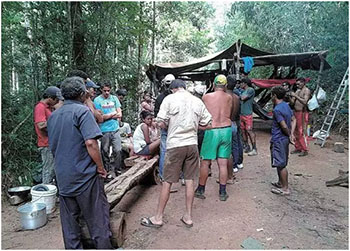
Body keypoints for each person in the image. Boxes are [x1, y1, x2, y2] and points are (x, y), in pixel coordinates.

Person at [47, 77, 112, 249]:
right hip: (84, 176)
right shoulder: (82, 112)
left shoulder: (53, 116)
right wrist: (100, 167)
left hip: (63, 176)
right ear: (82, 94)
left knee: (70, 223)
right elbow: (91, 143)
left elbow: (53, 146)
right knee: (97, 218)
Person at [140, 79, 212, 228]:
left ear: (173, 89)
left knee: (167, 181)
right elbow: (208, 124)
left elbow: (160, 123)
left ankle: (158, 218)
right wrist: (193, 126)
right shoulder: (196, 101)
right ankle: (188, 217)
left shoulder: (169, 99)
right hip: (192, 144)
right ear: (184, 88)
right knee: (190, 180)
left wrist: (169, 125)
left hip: (175, 145)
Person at [194, 74, 233, 201]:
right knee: (223, 163)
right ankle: (222, 192)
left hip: (212, 130)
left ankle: (200, 189)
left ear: (214, 85)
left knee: (205, 162)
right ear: (225, 85)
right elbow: (230, 112)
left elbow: (202, 114)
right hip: (226, 130)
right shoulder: (229, 97)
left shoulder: (206, 97)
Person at [34, 86, 64, 184]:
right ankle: (45, 192)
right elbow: (41, 125)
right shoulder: (40, 107)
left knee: (54, 170)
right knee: (48, 170)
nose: (57, 102)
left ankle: (53, 192)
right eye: (56, 99)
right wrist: (54, 119)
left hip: (52, 143)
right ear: (50, 98)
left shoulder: (49, 108)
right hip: (46, 144)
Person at [270, 86, 296, 195]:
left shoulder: (277, 109)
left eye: (271, 95)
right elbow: (293, 119)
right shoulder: (286, 105)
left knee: (281, 164)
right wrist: (292, 133)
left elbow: (284, 126)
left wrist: (289, 134)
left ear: (275, 96)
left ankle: (285, 188)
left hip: (279, 138)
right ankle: (280, 182)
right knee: (280, 161)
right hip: (283, 139)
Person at [94, 83, 122, 178]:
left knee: (118, 150)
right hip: (104, 129)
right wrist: (112, 115)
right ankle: (107, 170)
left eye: (108, 90)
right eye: (105, 90)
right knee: (104, 150)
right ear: (101, 90)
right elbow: (100, 118)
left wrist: (108, 116)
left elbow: (119, 114)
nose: (107, 92)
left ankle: (118, 170)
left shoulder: (114, 98)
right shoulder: (97, 100)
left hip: (115, 128)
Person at [154, 74, 175, 180]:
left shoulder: (160, 97)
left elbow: (156, 115)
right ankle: (177, 174)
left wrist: (162, 125)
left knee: (164, 151)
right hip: (174, 128)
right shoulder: (176, 98)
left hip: (165, 127)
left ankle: (163, 175)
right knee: (177, 150)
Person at [290, 77, 311, 157]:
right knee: (295, 131)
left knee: (301, 130)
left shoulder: (307, 90)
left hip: (302, 113)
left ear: (303, 83)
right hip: (296, 112)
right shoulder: (298, 90)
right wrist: (290, 96)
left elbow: (305, 102)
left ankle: (304, 149)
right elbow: (292, 102)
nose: (298, 85)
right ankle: (298, 147)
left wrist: (295, 95)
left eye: (299, 84)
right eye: (297, 84)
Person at [227, 75, 243, 173]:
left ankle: (232, 165)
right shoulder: (237, 97)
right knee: (236, 144)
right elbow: (238, 113)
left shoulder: (225, 97)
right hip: (235, 122)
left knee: (228, 146)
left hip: (227, 123)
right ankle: (237, 163)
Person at [240, 77, 258, 156]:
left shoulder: (250, 90)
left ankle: (254, 148)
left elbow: (243, 98)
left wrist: (238, 93)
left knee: (249, 130)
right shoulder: (243, 91)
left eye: (241, 83)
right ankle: (246, 146)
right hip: (242, 114)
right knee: (243, 131)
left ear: (245, 83)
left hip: (248, 114)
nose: (240, 84)